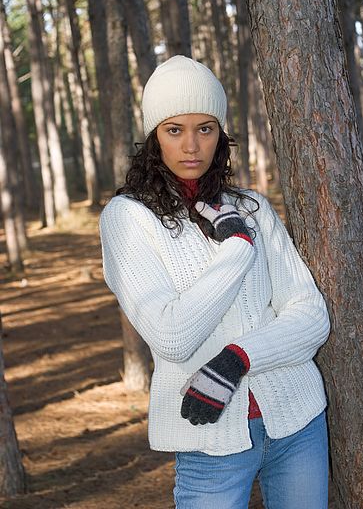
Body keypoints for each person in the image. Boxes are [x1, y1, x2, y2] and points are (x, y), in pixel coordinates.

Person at [99, 55, 331, 508]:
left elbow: (311, 316)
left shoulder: (252, 208)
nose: (191, 145)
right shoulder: (128, 219)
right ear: (153, 137)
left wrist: (237, 359)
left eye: (205, 128)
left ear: (220, 135)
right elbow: (172, 335)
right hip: (209, 436)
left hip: (298, 420)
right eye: (174, 130)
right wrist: (237, 249)